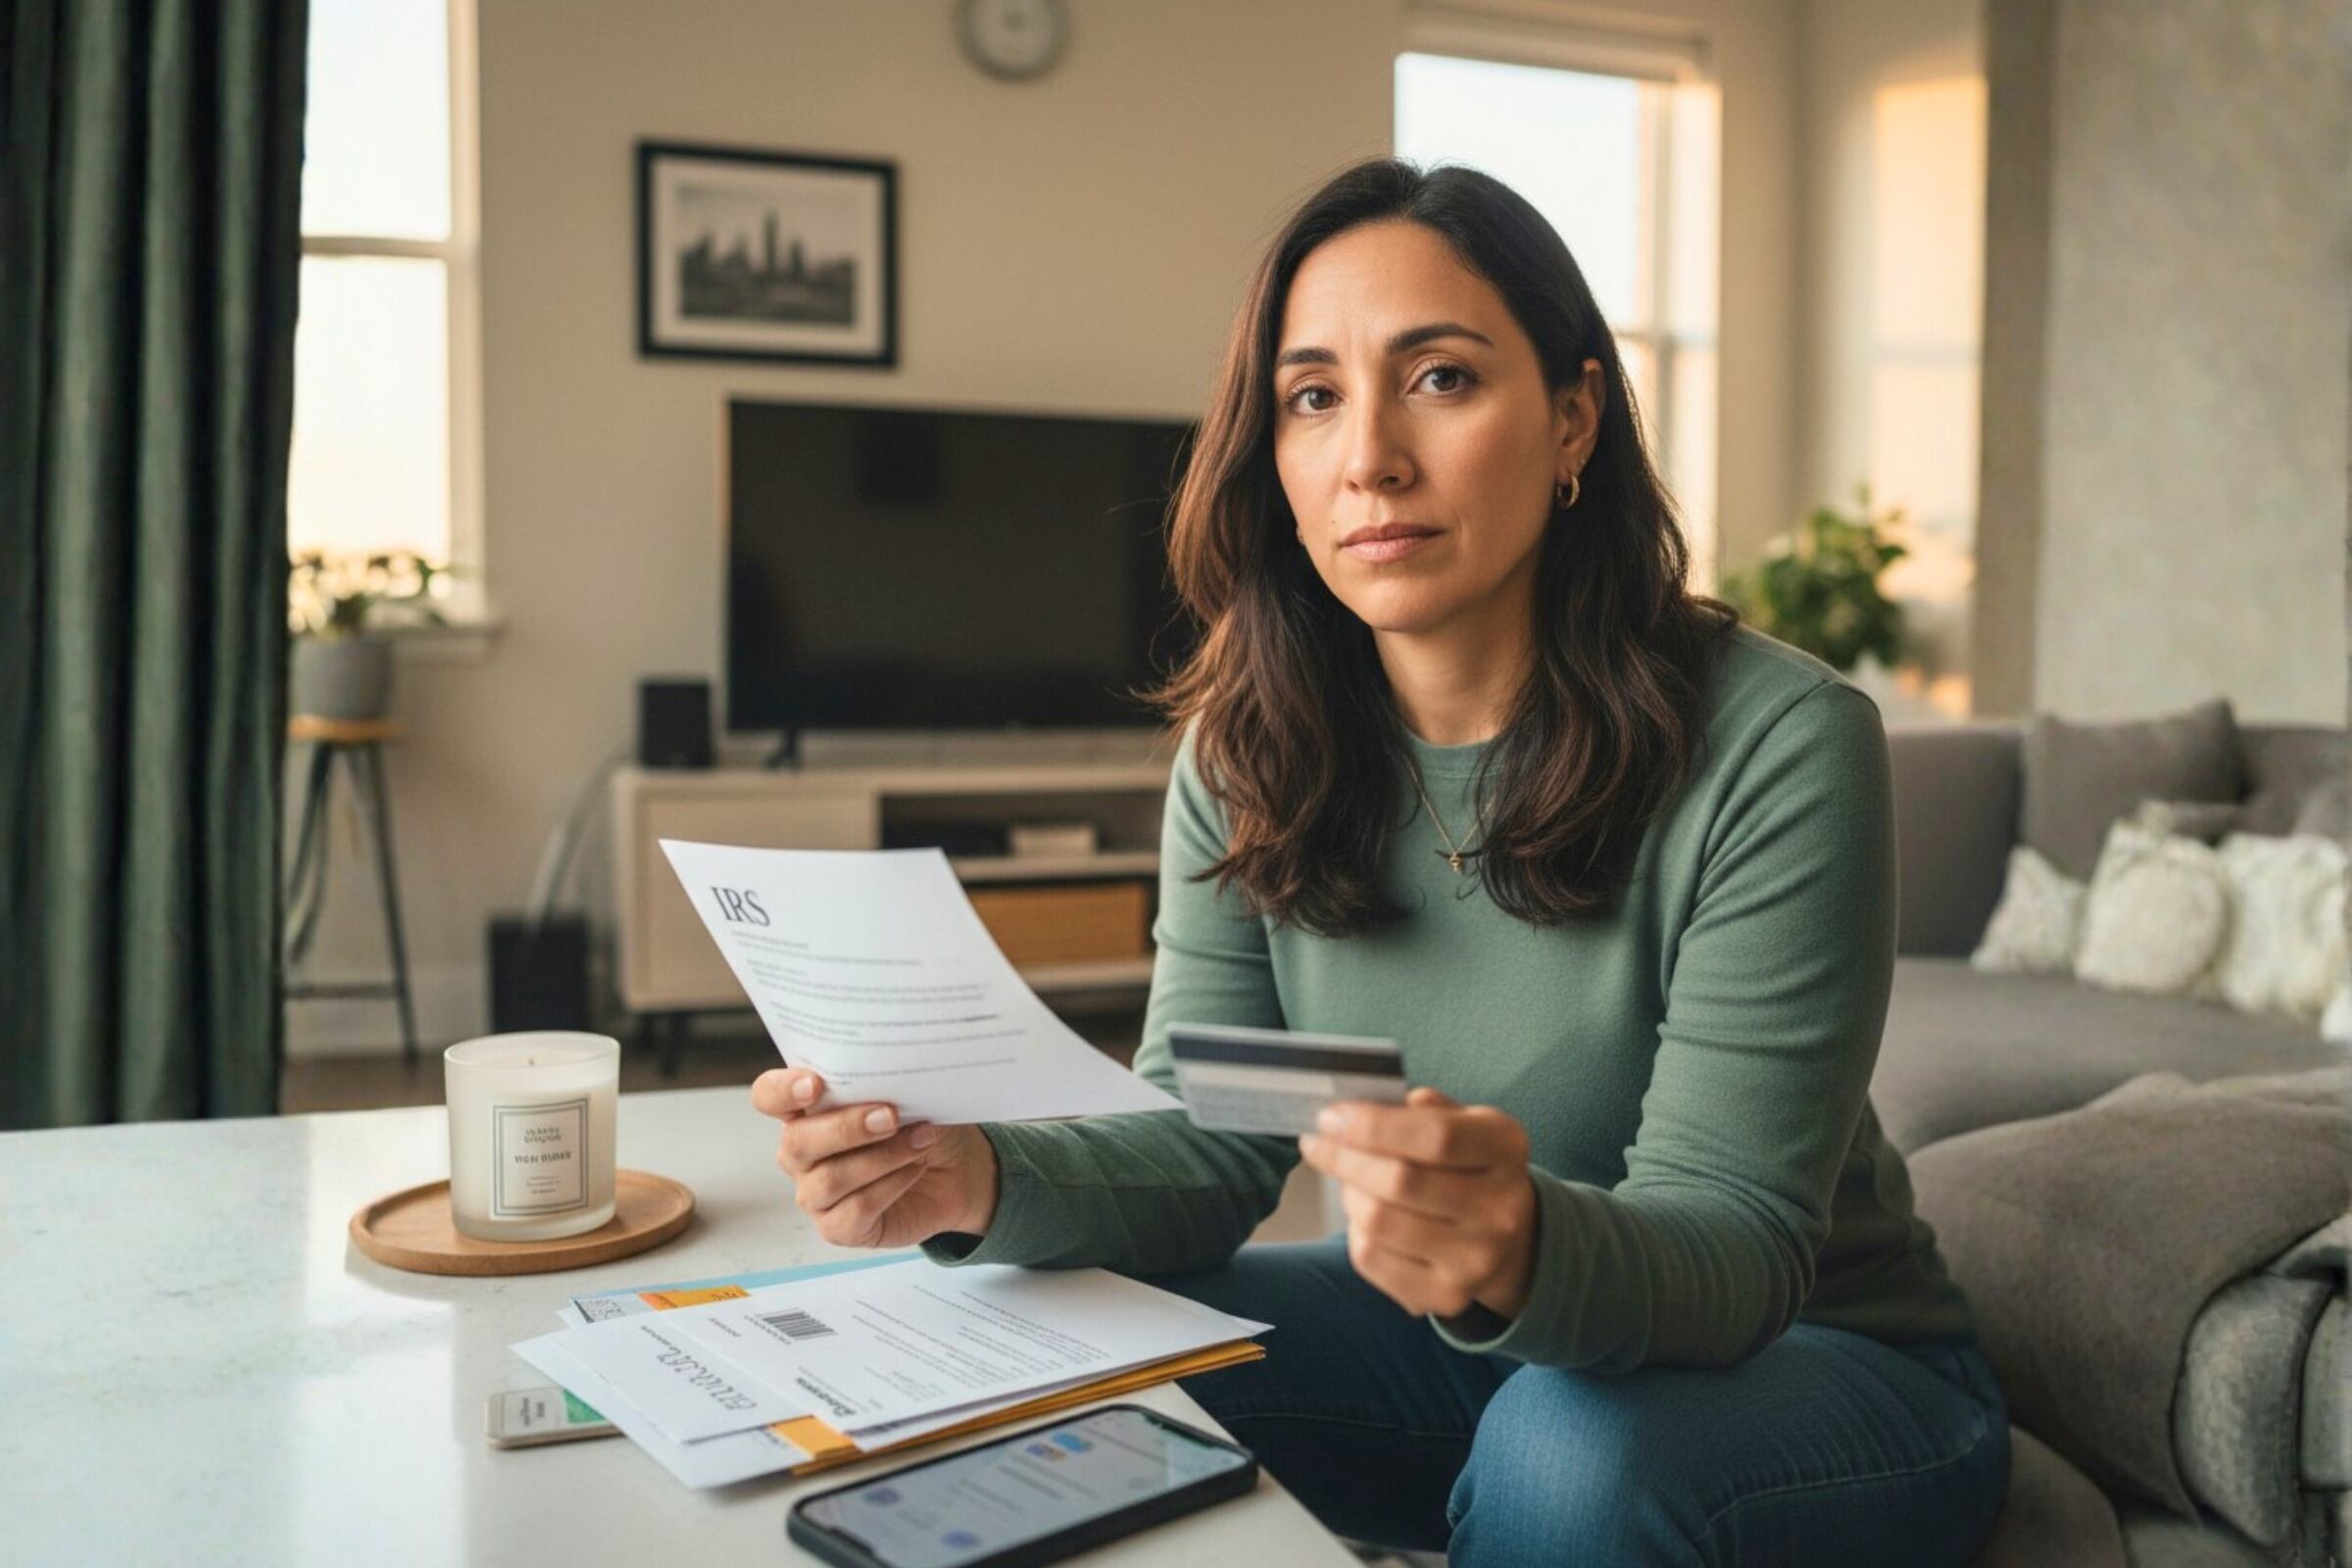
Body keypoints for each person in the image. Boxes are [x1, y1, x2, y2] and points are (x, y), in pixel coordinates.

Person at [750, 159, 2009, 1566]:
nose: (1370, 458)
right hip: (1477, 1347)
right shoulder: (1249, 752)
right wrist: (968, 1176)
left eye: (1443, 379)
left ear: (1574, 414)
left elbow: (1732, 1244)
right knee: (1050, 1345)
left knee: (1568, 1454)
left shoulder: (1782, 743)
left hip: (1819, 1368)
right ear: (1272, 455)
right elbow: (1214, 1138)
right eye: (1313, 396)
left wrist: (1518, 1248)